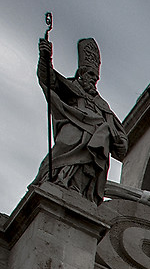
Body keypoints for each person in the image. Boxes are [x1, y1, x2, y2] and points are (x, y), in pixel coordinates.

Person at [37, 32, 126, 200]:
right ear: (81, 72)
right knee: (60, 156)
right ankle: (58, 180)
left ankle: (80, 191)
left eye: (96, 77)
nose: (94, 80)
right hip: (72, 130)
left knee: (89, 163)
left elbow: (120, 139)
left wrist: (119, 140)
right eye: (91, 75)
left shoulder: (103, 105)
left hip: (95, 142)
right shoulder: (70, 86)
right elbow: (48, 80)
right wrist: (45, 58)